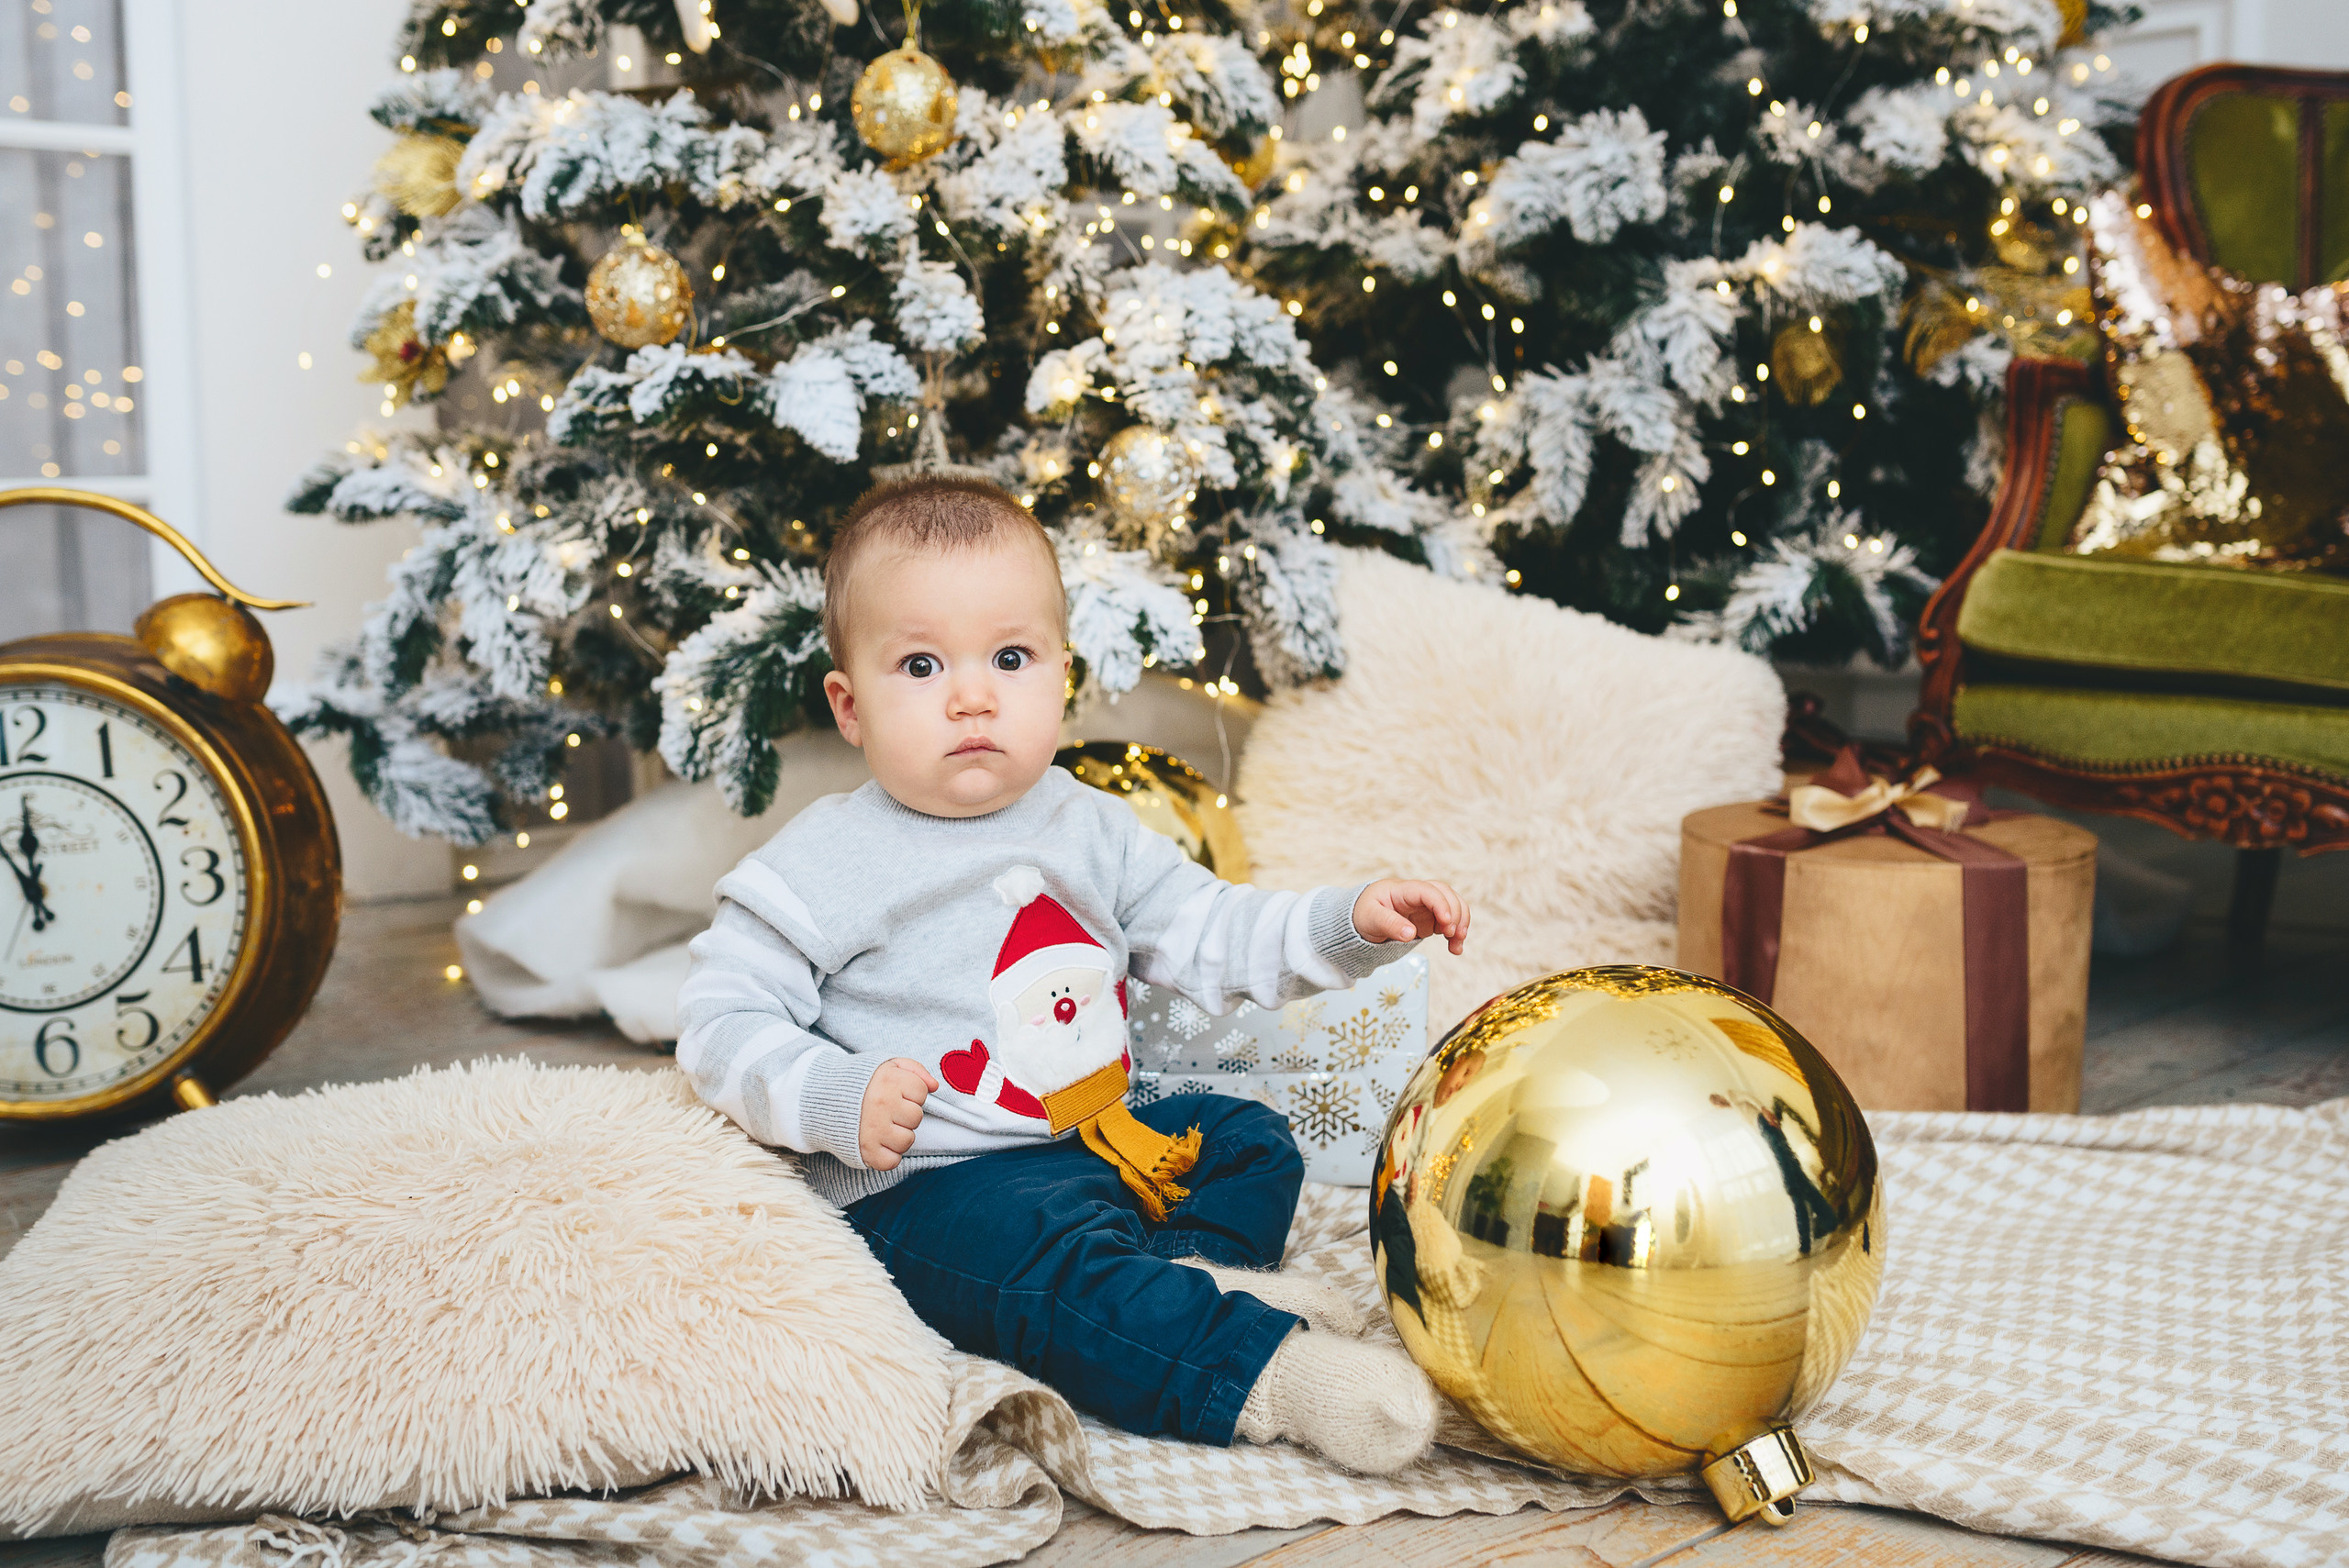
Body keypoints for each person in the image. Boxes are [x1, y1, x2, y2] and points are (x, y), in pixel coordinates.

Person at [675, 473, 1470, 1474]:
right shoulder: (822, 863)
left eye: (1009, 657)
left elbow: (1212, 929)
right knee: (1052, 1268)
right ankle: (1267, 1372)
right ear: (850, 704)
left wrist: (1347, 920)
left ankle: (1188, 1288)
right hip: (936, 1190)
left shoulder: (1088, 825)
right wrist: (834, 1095)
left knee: (1249, 1140)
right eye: (919, 664)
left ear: (1060, 674)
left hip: (1105, 1143)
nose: (972, 695)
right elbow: (718, 1017)